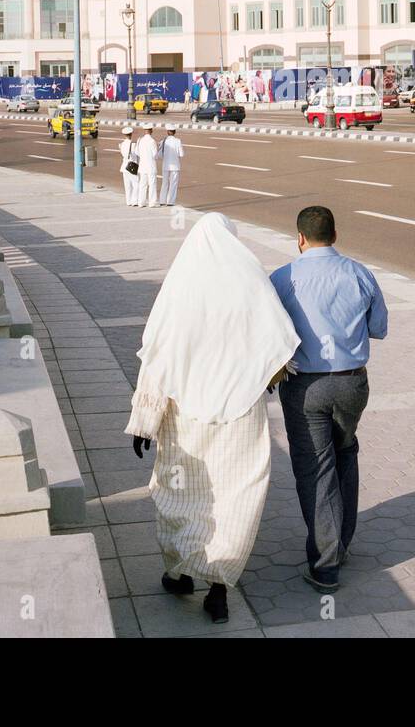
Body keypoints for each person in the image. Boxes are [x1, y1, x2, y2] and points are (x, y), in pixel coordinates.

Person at [125, 212, 300, 624]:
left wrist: (144, 422)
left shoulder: (180, 288)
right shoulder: (250, 281)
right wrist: (261, 377)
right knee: (233, 495)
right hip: (240, 415)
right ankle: (219, 587)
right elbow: (279, 345)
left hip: (184, 415)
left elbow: (157, 358)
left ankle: (180, 573)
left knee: (180, 493)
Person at [270, 205, 388, 594]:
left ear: (300, 238)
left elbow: (269, 334)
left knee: (315, 468)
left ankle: (325, 565)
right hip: (352, 384)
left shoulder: (282, 278)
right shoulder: (359, 273)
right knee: (345, 452)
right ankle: (341, 543)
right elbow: (378, 329)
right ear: (335, 236)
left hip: (305, 387)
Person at [135, 124, 159, 207]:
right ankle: (152, 203)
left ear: (145, 131)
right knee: (152, 184)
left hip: (142, 166)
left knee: (142, 184)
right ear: (151, 131)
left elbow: (137, 153)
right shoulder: (152, 141)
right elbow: (155, 154)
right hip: (151, 166)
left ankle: (141, 202)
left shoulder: (140, 140)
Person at [160, 126, 184, 205]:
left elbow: (160, 154)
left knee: (164, 183)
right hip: (175, 165)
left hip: (166, 165)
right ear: (175, 132)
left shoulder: (163, 141)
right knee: (173, 183)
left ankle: (162, 201)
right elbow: (181, 154)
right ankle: (170, 201)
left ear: (167, 132)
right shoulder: (178, 141)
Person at [118, 124, 138, 205]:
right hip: (132, 166)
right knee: (136, 184)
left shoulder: (121, 144)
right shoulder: (133, 144)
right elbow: (137, 154)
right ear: (131, 134)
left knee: (127, 186)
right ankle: (134, 201)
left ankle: (128, 201)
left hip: (124, 166)